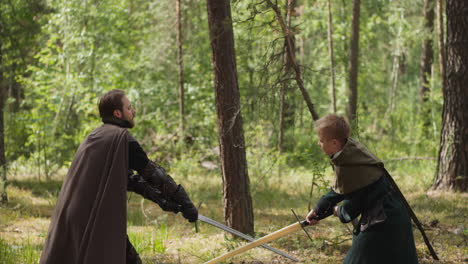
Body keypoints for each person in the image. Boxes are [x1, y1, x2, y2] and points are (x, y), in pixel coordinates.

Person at [39, 89, 198, 264]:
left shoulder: (96, 136)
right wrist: (184, 200)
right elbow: (153, 174)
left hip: (74, 212)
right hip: (93, 214)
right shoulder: (122, 139)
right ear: (118, 113)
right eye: (129, 108)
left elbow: (130, 179)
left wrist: (162, 200)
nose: (134, 111)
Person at [306, 114, 418, 264]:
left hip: (383, 220)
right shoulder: (349, 152)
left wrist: (337, 211)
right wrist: (318, 209)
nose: (318, 143)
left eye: (321, 140)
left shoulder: (350, 165)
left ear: (334, 143)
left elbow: (354, 205)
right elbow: (341, 189)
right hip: (392, 213)